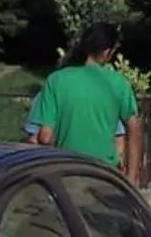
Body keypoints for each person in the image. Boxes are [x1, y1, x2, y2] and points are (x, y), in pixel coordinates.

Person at [33, 23, 142, 180]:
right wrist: (131, 177)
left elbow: (45, 137)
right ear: (107, 52)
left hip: (66, 171)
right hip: (104, 173)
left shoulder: (56, 80)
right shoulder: (118, 83)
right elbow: (134, 127)